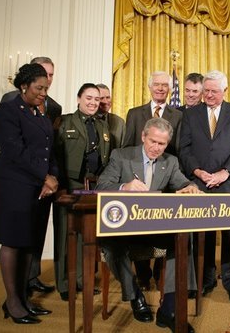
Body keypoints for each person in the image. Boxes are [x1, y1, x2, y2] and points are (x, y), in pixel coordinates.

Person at [96, 118, 199, 333]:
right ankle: (135, 296)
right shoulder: (121, 156)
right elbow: (102, 185)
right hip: (124, 229)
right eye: (152, 141)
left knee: (183, 236)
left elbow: (183, 182)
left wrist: (190, 187)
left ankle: (169, 309)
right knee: (109, 242)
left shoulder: (170, 161)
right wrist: (125, 186)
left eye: (162, 144)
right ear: (143, 137)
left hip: (154, 230)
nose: (156, 148)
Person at [0, 63, 58, 324]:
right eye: (39, 88)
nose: (44, 92)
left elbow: (49, 151)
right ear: (23, 86)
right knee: (13, 241)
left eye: (46, 88)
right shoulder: (8, 110)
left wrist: (52, 178)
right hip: (13, 182)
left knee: (29, 241)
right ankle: (13, 302)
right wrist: (45, 176)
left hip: (37, 186)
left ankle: (23, 298)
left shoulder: (40, 114)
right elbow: (13, 150)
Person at [179, 70, 230, 299]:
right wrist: (197, 171)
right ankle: (205, 278)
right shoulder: (191, 114)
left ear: (224, 91)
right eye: (205, 90)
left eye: (213, 91)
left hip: (227, 183)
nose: (208, 95)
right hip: (199, 182)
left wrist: (224, 173)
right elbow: (184, 148)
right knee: (203, 234)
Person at [123, 70, 183, 290]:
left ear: (169, 89)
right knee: (138, 230)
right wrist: (129, 179)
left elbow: (178, 150)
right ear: (149, 87)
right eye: (156, 84)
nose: (160, 88)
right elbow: (126, 147)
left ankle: (160, 273)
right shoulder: (135, 113)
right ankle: (143, 274)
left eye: (164, 85)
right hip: (138, 179)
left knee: (162, 230)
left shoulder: (178, 115)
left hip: (165, 180)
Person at [54, 83, 111, 300]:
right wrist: (59, 185)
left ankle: (83, 280)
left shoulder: (102, 125)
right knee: (66, 235)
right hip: (70, 185)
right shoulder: (65, 121)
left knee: (88, 236)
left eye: (97, 99)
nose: (93, 102)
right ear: (79, 98)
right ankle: (65, 284)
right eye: (89, 98)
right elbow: (56, 156)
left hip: (93, 187)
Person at [95, 83, 126, 149]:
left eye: (108, 97)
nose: (106, 101)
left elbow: (124, 151)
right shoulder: (87, 120)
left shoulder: (120, 123)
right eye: (102, 98)